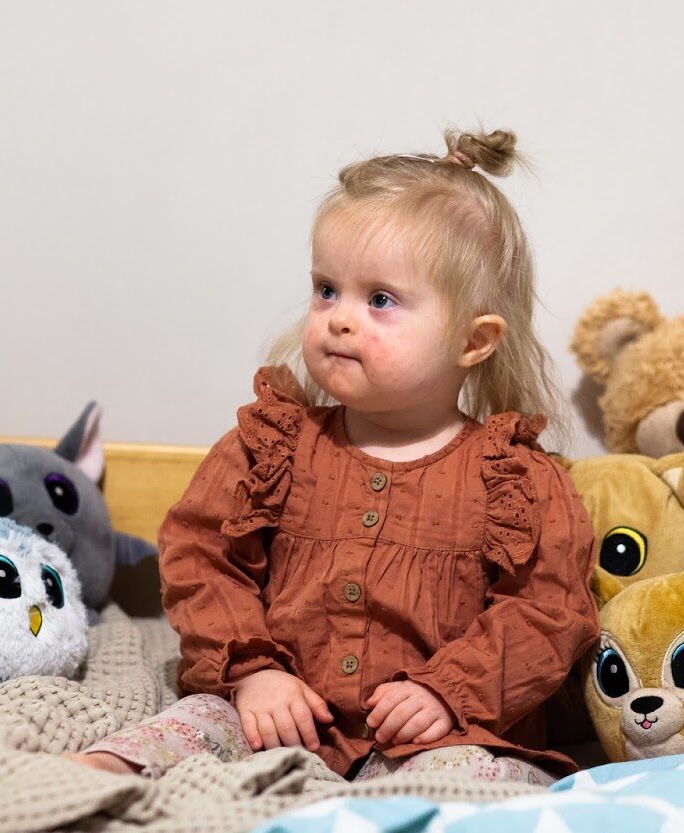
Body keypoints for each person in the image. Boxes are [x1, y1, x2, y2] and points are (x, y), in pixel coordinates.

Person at [69, 128, 598, 783]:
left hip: (437, 732)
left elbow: (548, 612)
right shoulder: (273, 445)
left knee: (476, 779)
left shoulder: (515, 479)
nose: (339, 318)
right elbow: (202, 554)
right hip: (276, 714)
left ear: (473, 340)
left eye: (379, 300)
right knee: (189, 723)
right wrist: (254, 672)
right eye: (326, 289)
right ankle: (92, 780)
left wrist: (448, 692)